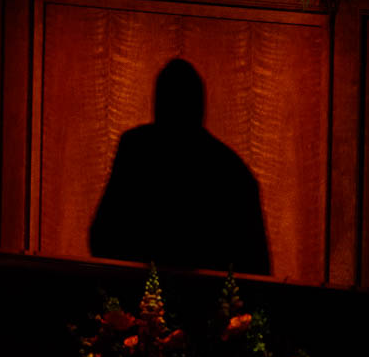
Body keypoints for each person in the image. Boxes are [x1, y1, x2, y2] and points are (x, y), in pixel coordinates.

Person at [89, 58, 270, 275]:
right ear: (200, 106)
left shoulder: (137, 148)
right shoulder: (230, 169)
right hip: (205, 301)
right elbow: (254, 264)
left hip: (137, 296)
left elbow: (103, 235)